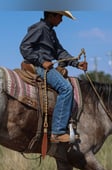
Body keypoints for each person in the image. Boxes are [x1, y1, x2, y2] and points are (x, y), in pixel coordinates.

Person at [20, 11, 88, 143]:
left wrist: (76, 63)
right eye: (60, 17)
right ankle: (57, 132)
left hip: (45, 65)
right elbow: (24, 47)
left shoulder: (50, 31)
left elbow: (59, 52)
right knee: (66, 88)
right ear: (51, 16)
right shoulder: (39, 28)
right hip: (39, 66)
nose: (61, 20)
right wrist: (41, 61)